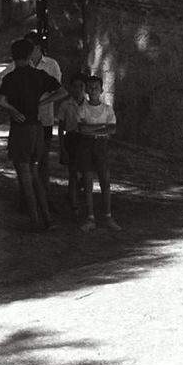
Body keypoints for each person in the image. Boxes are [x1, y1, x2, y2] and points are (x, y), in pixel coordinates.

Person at [0, 38, 67, 231]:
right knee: (36, 176)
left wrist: (13, 110)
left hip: (20, 130)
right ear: (29, 55)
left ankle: (34, 220)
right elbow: (62, 92)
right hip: (37, 128)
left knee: (25, 178)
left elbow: (1, 101)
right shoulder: (40, 75)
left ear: (13, 56)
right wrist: (43, 103)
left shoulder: (11, 78)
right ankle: (47, 219)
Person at [77, 74, 120, 231]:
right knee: (88, 182)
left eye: (96, 87)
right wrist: (102, 127)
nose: (93, 90)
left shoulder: (107, 109)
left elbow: (113, 128)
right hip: (87, 146)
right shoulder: (82, 109)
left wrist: (94, 128)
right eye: (90, 88)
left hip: (102, 146)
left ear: (101, 90)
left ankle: (108, 216)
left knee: (105, 181)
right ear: (86, 90)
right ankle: (90, 218)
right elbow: (82, 129)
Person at [23, 31, 62, 204]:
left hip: (44, 119)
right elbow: (1, 79)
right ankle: (27, 198)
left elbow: (58, 90)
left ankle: (43, 197)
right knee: (26, 160)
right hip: (26, 120)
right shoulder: (22, 64)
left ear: (37, 48)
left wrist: (40, 102)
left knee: (43, 160)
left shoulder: (51, 65)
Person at [58, 72, 87, 219]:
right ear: (71, 88)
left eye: (81, 86)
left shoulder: (90, 104)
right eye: (75, 86)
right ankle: (74, 205)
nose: (78, 89)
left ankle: (72, 193)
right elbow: (61, 128)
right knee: (73, 171)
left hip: (86, 140)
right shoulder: (65, 105)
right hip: (71, 139)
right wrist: (62, 148)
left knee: (86, 172)